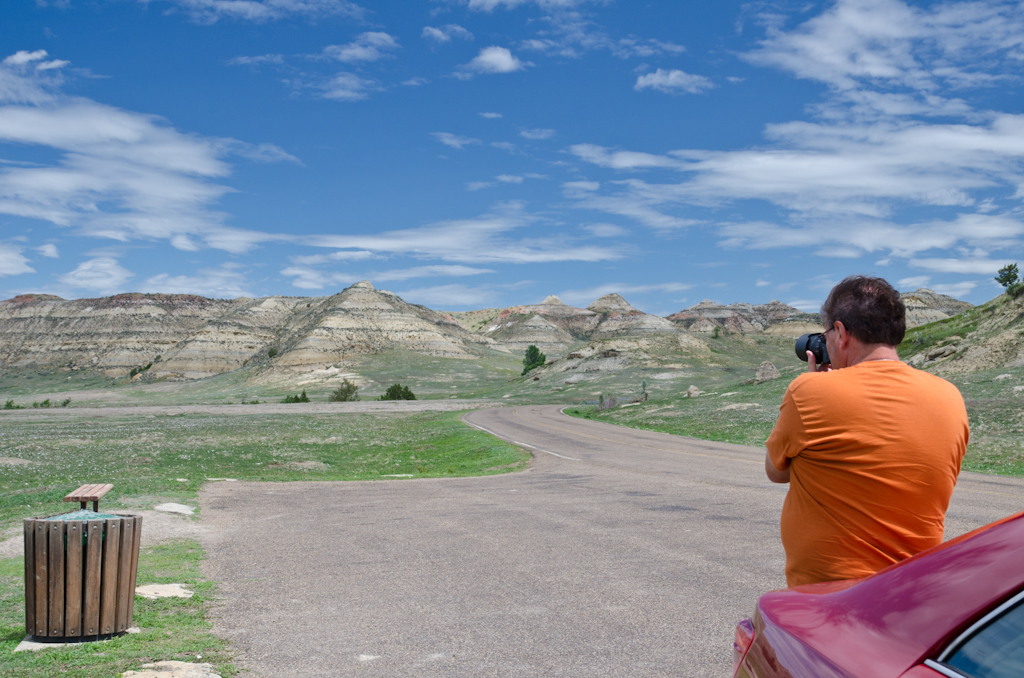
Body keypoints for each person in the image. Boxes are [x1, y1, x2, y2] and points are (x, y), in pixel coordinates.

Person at [765, 275, 969, 587]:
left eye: (828, 336)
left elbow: (776, 472)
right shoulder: (950, 396)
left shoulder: (809, 392)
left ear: (840, 332)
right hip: (916, 591)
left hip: (832, 597)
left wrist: (816, 383)